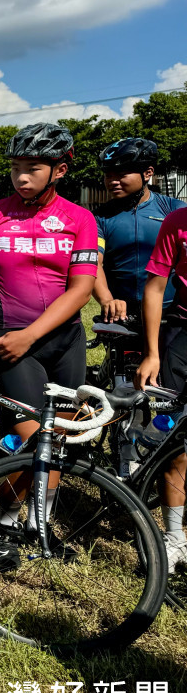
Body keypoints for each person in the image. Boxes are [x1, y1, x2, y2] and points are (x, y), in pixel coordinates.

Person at [0, 123, 98, 568]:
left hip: (64, 342)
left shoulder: (80, 219)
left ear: (60, 169)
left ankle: (39, 523)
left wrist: (34, 333)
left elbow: (81, 288)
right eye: (15, 169)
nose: (21, 178)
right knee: (32, 442)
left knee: (59, 444)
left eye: (33, 168)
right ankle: (5, 518)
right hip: (12, 344)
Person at [133, 206, 187, 569]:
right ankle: (174, 538)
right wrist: (152, 352)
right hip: (182, 337)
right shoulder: (177, 222)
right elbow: (154, 287)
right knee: (176, 445)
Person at [93, 138, 184, 323]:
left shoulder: (174, 210)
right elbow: (94, 261)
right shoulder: (98, 218)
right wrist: (107, 300)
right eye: (108, 175)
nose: (112, 181)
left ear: (147, 172)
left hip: (171, 311)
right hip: (120, 312)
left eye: (121, 174)